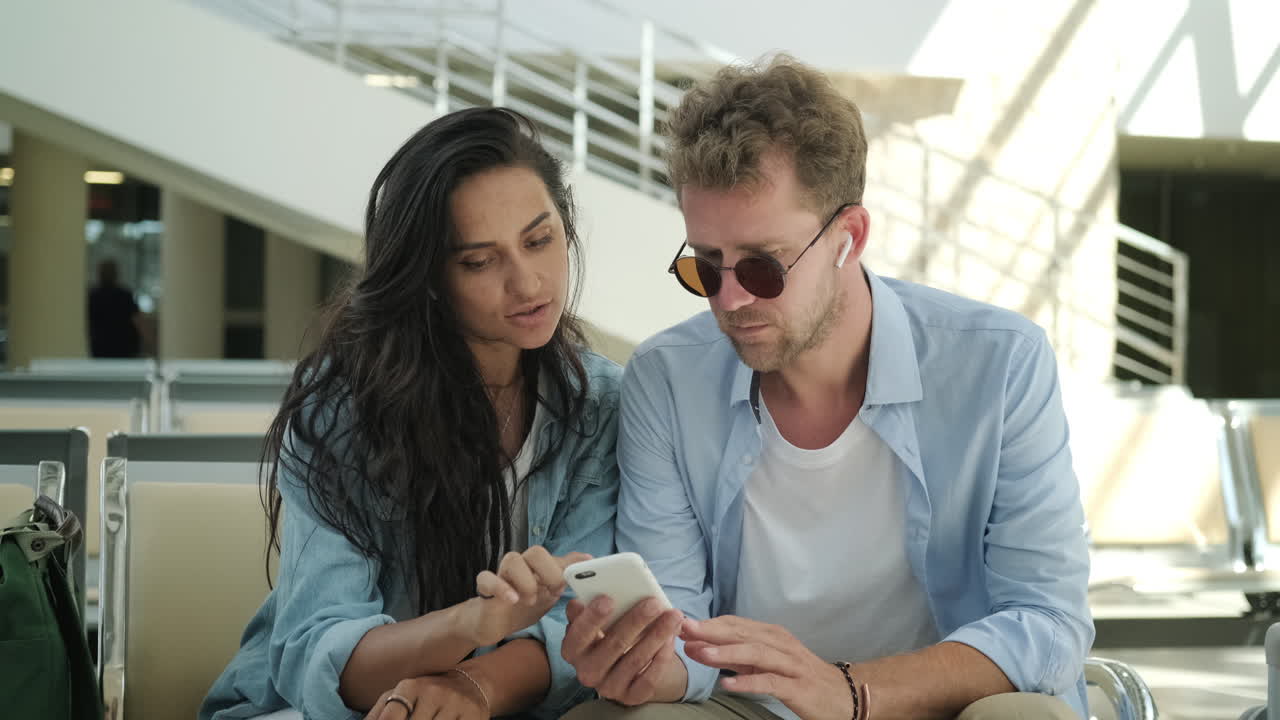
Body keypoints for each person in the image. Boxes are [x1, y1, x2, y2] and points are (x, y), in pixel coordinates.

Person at [561, 56, 1093, 720]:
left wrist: (848, 688)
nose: (728, 299)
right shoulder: (667, 379)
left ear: (850, 236)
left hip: (940, 702)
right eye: (705, 265)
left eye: (762, 266)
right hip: (750, 707)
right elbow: (679, 625)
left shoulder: (1000, 363)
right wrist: (642, 667)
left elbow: (1047, 620)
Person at [200, 107, 621, 720]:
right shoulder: (342, 408)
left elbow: (576, 631)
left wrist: (473, 688)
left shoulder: (597, 404)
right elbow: (320, 651)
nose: (528, 282)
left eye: (539, 239)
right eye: (480, 261)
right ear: (427, 278)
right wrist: (475, 623)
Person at [87, 259, 142, 358]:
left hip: (100, 345)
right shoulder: (125, 295)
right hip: (122, 344)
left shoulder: (93, 296)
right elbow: (136, 318)